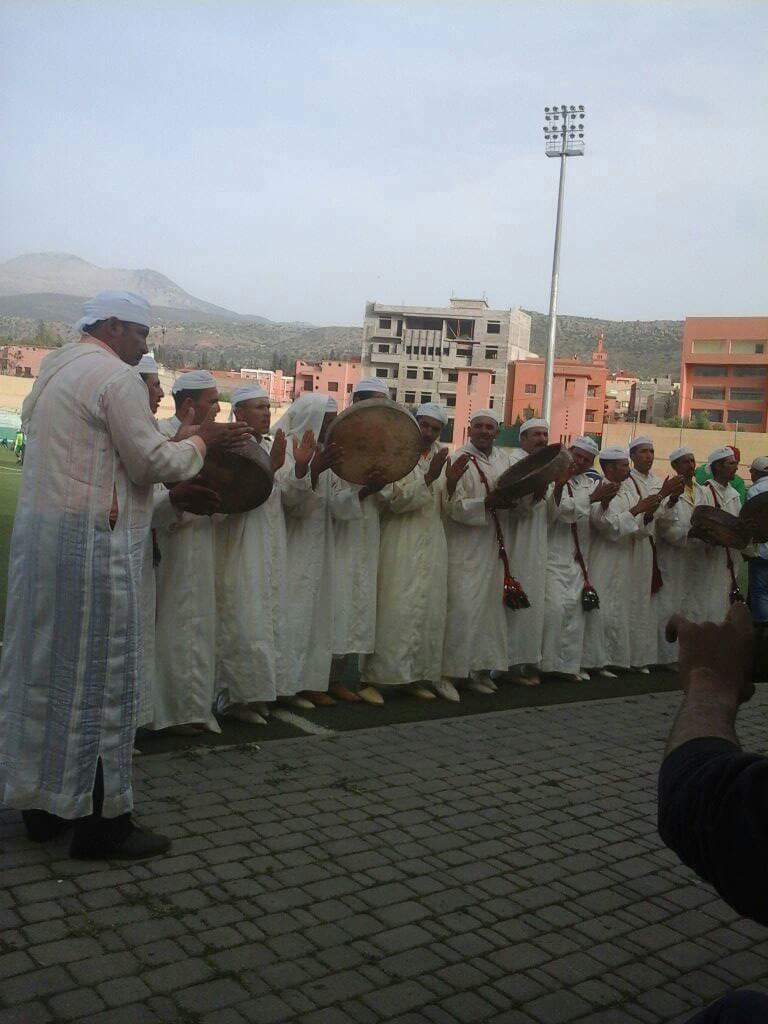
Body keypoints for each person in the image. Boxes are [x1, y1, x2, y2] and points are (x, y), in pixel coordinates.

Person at [0, 291, 244, 860]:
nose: (145, 346)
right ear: (111, 326)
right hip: (94, 549)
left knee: (45, 667)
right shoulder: (115, 379)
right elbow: (150, 464)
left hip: (46, 549)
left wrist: (180, 446)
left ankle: (42, 806)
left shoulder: (59, 370)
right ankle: (104, 825)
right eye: (140, 334)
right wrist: (203, 441)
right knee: (103, 679)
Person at [214, 385, 317, 721]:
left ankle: (259, 694)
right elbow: (228, 498)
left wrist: (300, 468)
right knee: (242, 619)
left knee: (267, 619)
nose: (266, 413)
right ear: (239, 413)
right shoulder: (229, 449)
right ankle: (234, 698)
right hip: (241, 546)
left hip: (271, 544)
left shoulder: (274, 446)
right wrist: (269, 470)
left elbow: (290, 499)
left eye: (267, 407)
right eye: (258, 408)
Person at [148, 370, 231, 735]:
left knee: (199, 625)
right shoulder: (162, 436)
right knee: (170, 628)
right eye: (211, 401)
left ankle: (195, 709)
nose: (217, 407)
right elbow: (153, 497)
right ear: (188, 405)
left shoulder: (214, 441)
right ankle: (165, 714)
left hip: (203, 545)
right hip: (170, 548)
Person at [361, 402, 451, 700]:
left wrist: (450, 481)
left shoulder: (440, 458)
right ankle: (379, 676)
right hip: (400, 539)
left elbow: (445, 505)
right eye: (423, 425)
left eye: (434, 428)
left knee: (427, 607)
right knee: (395, 607)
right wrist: (428, 478)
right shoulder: (394, 454)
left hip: (431, 540)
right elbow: (394, 501)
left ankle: (415, 676)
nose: (427, 432)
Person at [271, 393, 343, 706]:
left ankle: (310, 682)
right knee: (293, 615)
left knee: (316, 615)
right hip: (292, 545)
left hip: (320, 544)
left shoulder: (326, 452)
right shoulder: (285, 448)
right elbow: (289, 501)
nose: (330, 428)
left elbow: (338, 500)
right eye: (326, 422)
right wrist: (309, 468)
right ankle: (285, 685)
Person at [441, 409, 514, 693]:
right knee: (462, 609)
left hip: (493, 547)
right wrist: (486, 503)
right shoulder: (458, 459)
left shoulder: (503, 460)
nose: (485, 431)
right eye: (479, 426)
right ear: (470, 429)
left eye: (490, 427)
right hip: (464, 548)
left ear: (497, 432)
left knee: (489, 612)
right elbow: (451, 506)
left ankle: (479, 670)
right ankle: (448, 673)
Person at [330, 378, 389, 705]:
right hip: (338, 540)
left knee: (358, 605)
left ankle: (343, 677)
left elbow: (394, 496)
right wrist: (365, 492)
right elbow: (331, 501)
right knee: (337, 604)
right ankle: (326, 678)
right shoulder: (337, 444)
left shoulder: (387, 448)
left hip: (368, 536)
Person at [540, 436, 616, 681]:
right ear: (568, 452)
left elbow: (595, 519)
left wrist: (603, 503)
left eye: (587, 459)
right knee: (554, 610)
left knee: (574, 611)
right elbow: (556, 513)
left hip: (579, 559)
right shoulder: (551, 478)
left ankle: (567, 666)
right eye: (577, 455)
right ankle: (545, 665)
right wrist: (590, 498)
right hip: (553, 556)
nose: (580, 462)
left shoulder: (588, 484)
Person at [582, 446, 661, 676]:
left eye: (627, 465)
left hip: (625, 559)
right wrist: (638, 510)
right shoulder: (598, 489)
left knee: (620, 608)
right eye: (623, 465)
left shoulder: (628, 491)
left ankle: (615, 659)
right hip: (604, 558)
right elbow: (607, 526)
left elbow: (639, 528)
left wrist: (647, 513)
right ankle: (594, 661)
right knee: (602, 608)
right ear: (608, 468)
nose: (628, 469)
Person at [655, 445, 716, 663]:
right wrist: (687, 533)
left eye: (692, 461)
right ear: (675, 466)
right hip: (674, 557)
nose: (690, 465)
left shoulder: (703, 491)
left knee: (695, 604)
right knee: (671, 605)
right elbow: (662, 526)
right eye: (685, 461)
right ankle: (668, 657)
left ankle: (693, 655)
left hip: (697, 556)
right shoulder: (667, 490)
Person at [627, 436, 684, 671]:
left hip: (653, 549)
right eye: (643, 451)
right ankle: (629, 657)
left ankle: (647, 656)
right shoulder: (627, 482)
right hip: (632, 547)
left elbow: (664, 520)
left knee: (650, 605)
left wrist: (670, 501)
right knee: (633, 602)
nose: (648, 456)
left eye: (651, 451)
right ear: (632, 456)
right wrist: (662, 497)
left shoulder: (659, 480)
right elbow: (635, 514)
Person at [502, 418, 551, 686]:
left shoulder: (548, 466)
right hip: (516, 543)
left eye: (545, 434)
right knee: (515, 602)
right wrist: (535, 494)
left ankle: (525, 662)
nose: (541, 439)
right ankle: (508, 666)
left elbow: (555, 513)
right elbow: (513, 506)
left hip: (538, 547)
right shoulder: (514, 464)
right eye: (536, 434)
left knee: (533, 604)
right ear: (522, 439)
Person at [702, 446, 744, 621]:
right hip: (710, 560)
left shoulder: (734, 494)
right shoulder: (705, 493)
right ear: (718, 467)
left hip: (730, 560)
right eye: (731, 463)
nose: (736, 467)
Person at [744, 470, 768, 621]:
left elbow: (748, 518)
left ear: (755, 473)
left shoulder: (754, 490)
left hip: (761, 551)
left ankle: (762, 629)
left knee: (760, 592)